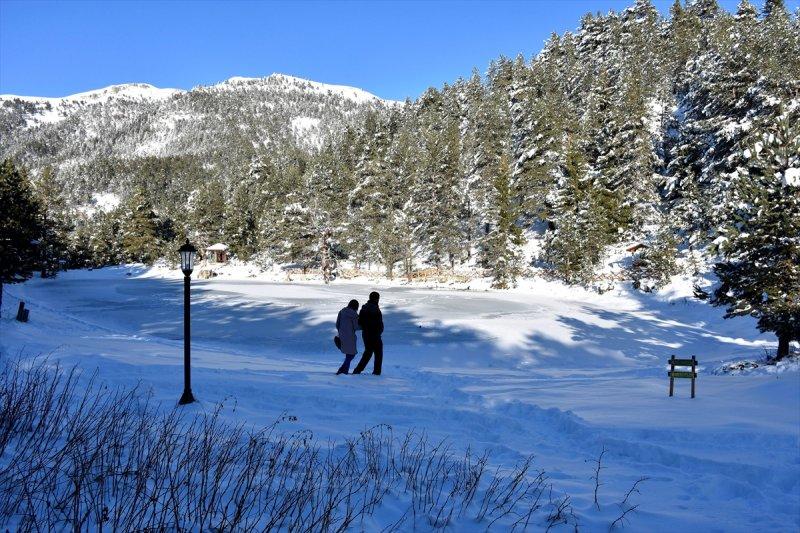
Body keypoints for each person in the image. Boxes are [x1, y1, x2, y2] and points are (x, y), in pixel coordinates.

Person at [353, 291, 383, 375]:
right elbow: (378, 322)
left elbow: (360, 322)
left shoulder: (364, 308)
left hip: (366, 334)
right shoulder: (374, 309)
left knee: (368, 352)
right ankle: (376, 372)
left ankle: (358, 370)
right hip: (374, 334)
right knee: (378, 353)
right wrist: (378, 330)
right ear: (377, 299)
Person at [335, 299, 360, 375]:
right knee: (351, 354)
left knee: (349, 354)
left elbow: (337, 324)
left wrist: (342, 331)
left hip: (342, 335)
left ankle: (343, 371)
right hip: (350, 336)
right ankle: (343, 371)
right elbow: (356, 327)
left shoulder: (342, 312)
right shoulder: (354, 315)